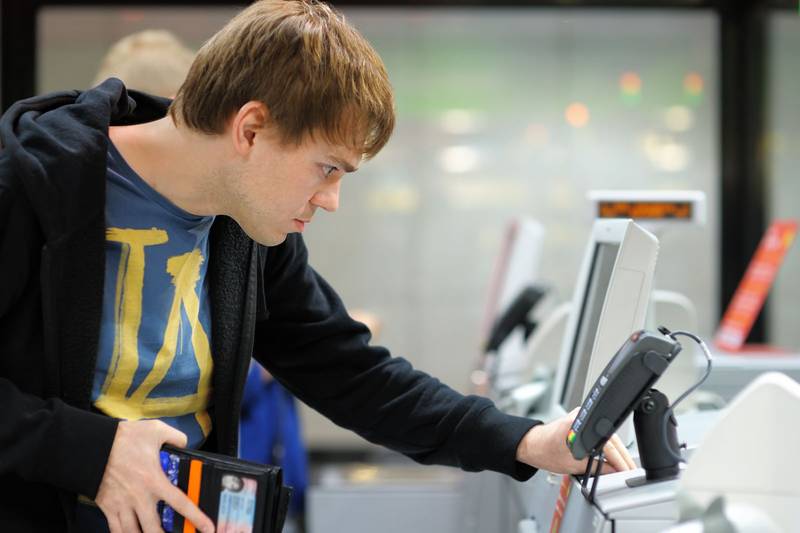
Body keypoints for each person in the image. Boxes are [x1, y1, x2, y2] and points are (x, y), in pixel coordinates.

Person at [0, 1, 635, 532]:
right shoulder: (29, 186)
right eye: (327, 168)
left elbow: (348, 370)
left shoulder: (244, 224)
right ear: (251, 130)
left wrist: (523, 441)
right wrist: (87, 452)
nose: (331, 200)